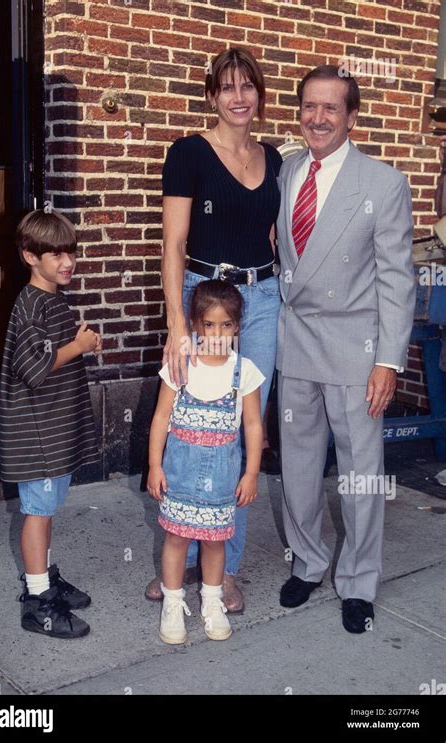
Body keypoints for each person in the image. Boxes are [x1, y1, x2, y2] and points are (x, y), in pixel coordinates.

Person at [276, 65, 415, 633]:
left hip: (357, 353)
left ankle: (358, 581)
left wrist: (388, 359)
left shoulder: (383, 183)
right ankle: (307, 563)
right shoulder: (286, 172)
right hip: (296, 344)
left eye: (331, 108)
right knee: (300, 466)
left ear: (352, 117)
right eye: (310, 106)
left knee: (360, 474)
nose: (318, 117)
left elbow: (397, 279)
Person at [145, 47, 282, 612]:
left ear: (258, 95)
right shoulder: (188, 154)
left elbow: (275, 238)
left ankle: (223, 570)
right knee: (188, 421)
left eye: (247, 86)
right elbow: (172, 244)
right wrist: (178, 323)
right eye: (227, 87)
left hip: (264, 298)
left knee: (242, 428)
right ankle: (179, 558)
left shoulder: (275, 159)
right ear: (211, 96)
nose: (238, 96)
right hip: (203, 300)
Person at [0, 209, 101, 639]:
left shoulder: (51, 299)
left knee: (46, 510)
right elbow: (34, 368)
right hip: (37, 435)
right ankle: (37, 601)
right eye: (55, 254)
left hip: (52, 431)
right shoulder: (30, 306)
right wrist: (78, 346)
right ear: (29, 256)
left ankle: (43, 576)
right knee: (37, 513)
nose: (66, 262)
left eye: (70, 253)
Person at [147, 279, 264, 643]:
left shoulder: (243, 372)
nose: (217, 333)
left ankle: (212, 602)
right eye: (208, 325)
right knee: (177, 538)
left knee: (215, 541)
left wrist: (252, 473)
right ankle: (172, 602)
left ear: (237, 326)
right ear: (195, 325)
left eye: (226, 325)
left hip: (223, 478)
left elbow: (253, 424)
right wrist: (154, 465)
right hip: (179, 475)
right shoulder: (179, 365)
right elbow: (161, 417)